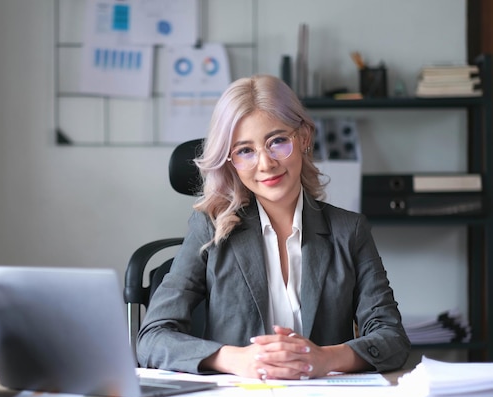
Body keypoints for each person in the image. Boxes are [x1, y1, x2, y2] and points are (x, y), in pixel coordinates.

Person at [136, 74, 410, 380]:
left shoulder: (350, 230)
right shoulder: (210, 228)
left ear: (304, 137)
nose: (265, 164)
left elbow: (393, 339)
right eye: (245, 151)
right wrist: (234, 359)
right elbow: (152, 339)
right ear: (230, 160)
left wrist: (323, 358)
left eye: (277, 141)